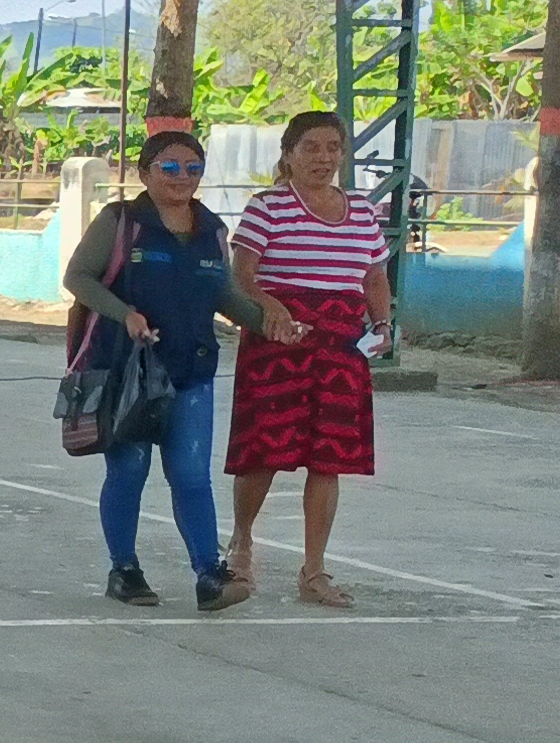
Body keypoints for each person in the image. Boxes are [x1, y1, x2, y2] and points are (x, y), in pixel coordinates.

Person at [59, 129, 304, 615]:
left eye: (193, 168)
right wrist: (125, 314)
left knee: (191, 475)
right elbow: (78, 277)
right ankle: (124, 569)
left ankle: (209, 575)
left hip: (190, 371)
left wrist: (271, 324)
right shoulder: (121, 222)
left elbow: (225, 295)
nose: (182, 177)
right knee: (129, 470)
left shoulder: (211, 229)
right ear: (144, 173)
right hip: (124, 371)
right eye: (169, 167)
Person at [227, 110, 387, 607]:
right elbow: (241, 276)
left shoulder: (363, 211)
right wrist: (270, 307)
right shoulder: (267, 207)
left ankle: (314, 570)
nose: (324, 158)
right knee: (264, 452)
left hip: (341, 349)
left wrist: (382, 325)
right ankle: (241, 543)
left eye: (333, 148)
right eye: (311, 147)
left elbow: (375, 277)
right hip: (278, 344)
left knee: (328, 459)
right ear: (289, 154)